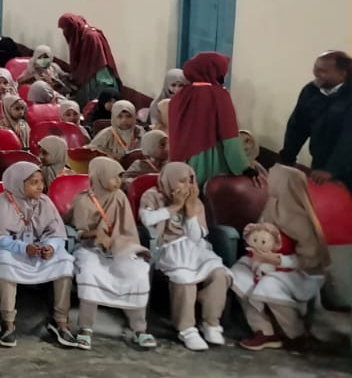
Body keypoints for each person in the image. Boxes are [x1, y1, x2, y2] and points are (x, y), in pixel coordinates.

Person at [229, 165, 329, 350]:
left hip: (300, 272)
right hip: (268, 263)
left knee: (270, 285)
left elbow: (309, 259)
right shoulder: (272, 205)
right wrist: (257, 251)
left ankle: (295, 333)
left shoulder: (301, 218)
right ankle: (264, 330)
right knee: (238, 272)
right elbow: (261, 232)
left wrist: (276, 260)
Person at [0, 161, 80, 349]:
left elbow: (57, 233)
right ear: (18, 183)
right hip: (12, 249)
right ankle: (8, 322)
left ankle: (60, 321)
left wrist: (50, 247)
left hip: (38, 249)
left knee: (65, 262)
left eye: (41, 181)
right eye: (33, 183)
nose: (40, 187)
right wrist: (23, 248)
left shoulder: (45, 202)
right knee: (5, 263)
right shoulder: (2, 202)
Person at [137, 161, 230, 351]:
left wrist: (189, 211)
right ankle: (186, 329)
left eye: (190, 181)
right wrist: (175, 206)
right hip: (167, 247)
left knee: (219, 274)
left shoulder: (195, 201)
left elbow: (195, 236)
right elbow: (147, 219)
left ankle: (211, 322)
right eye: (182, 181)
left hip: (195, 248)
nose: (187, 186)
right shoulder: (153, 195)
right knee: (183, 278)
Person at [69, 157, 155, 350]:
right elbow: (79, 233)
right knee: (89, 271)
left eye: (121, 177)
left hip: (120, 246)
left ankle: (139, 329)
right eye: (114, 177)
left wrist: (116, 242)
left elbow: (128, 230)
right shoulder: (82, 200)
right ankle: (85, 328)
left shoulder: (120, 197)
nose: (119, 181)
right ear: (100, 176)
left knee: (138, 271)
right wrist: (96, 234)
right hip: (90, 248)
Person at [166, 52, 252, 185]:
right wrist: (243, 168)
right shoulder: (220, 95)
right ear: (214, 71)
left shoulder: (180, 96)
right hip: (210, 160)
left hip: (181, 161)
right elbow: (229, 136)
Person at [280, 50, 352, 184]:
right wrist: (288, 156)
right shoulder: (310, 91)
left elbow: (348, 138)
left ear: (342, 74)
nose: (316, 74)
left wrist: (332, 170)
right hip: (320, 163)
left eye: (322, 71)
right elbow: (297, 126)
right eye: (315, 68)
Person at [57, 13, 121, 106]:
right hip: (93, 74)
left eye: (65, 29)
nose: (64, 33)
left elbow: (88, 63)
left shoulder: (91, 36)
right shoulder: (82, 34)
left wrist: (76, 76)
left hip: (98, 76)